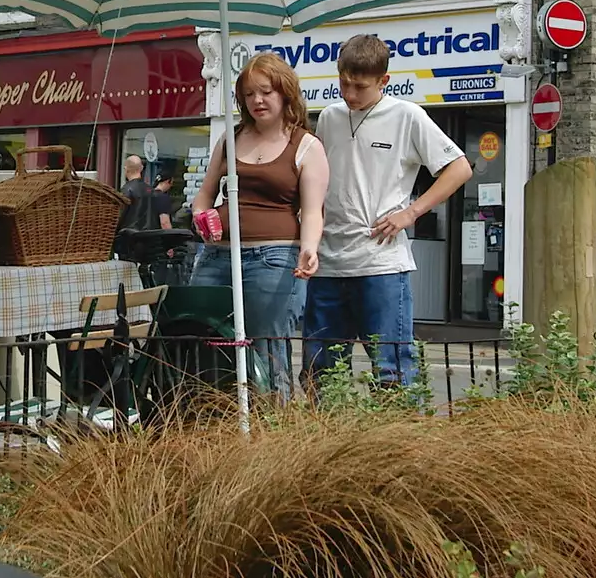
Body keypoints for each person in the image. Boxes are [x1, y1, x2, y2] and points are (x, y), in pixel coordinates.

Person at [303, 34, 473, 389]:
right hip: (327, 264)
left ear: (384, 81)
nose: (349, 95)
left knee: (391, 372)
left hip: (381, 266)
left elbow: (459, 167)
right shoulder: (329, 118)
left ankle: (396, 444)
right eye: (343, 84)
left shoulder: (407, 115)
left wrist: (411, 213)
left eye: (359, 87)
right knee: (320, 374)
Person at [190, 52, 328, 399]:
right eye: (249, 94)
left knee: (267, 344)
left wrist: (309, 248)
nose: (257, 100)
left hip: (274, 258)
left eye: (265, 91)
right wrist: (201, 217)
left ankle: (274, 421)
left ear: (284, 93)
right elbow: (203, 196)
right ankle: (212, 415)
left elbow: (313, 211)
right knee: (205, 339)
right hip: (216, 257)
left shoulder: (306, 146)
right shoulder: (230, 140)